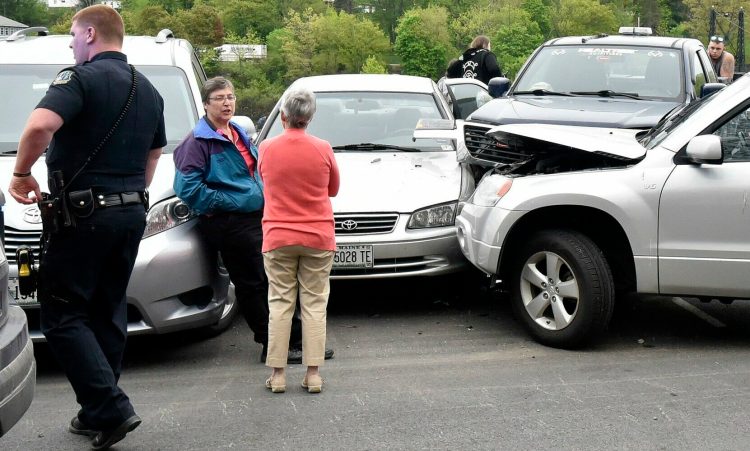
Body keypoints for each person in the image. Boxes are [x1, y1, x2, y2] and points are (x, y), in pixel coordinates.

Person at [7, 5, 164, 449]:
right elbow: (153, 156)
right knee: (107, 310)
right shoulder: (148, 88)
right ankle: (97, 412)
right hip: (131, 212)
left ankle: (111, 408)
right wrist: (124, 196)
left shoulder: (79, 79)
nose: (72, 45)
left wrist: (20, 174)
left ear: (91, 33)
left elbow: (40, 125)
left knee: (61, 315)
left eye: (74, 37)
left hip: (83, 217)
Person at [173, 77, 333, 365]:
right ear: (206, 104)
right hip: (229, 222)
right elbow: (188, 189)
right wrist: (231, 202)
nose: (227, 103)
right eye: (220, 98)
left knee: (272, 280)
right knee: (253, 282)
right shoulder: (196, 142)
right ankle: (273, 345)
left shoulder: (235, 131)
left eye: (231, 97)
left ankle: (296, 340)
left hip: (256, 217)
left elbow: (254, 171)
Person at [259, 87, 340, 394]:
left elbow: (264, 181)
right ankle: (314, 374)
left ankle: (278, 375)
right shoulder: (323, 147)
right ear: (311, 117)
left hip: (278, 235)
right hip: (318, 235)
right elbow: (333, 189)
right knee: (314, 303)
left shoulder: (266, 148)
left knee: (280, 302)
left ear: (283, 116)